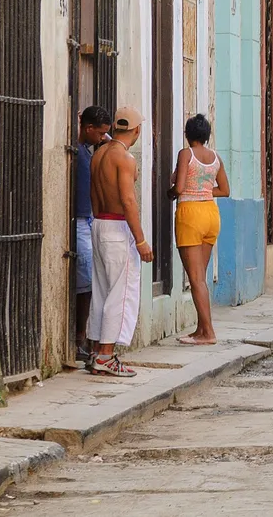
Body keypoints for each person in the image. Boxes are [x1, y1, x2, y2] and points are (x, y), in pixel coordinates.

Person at [87, 106, 152, 377]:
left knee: (101, 291)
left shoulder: (99, 154)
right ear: (137, 131)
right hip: (116, 227)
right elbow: (128, 200)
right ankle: (105, 356)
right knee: (120, 294)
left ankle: (95, 352)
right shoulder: (124, 158)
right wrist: (140, 241)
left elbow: (93, 194)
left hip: (99, 223)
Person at [168, 114, 229, 346]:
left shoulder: (186, 154)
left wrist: (171, 191)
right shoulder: (215, 158)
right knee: (200, 278)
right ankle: (200, 328)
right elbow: (225, 190)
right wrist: (203, 191)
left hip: (191, 215)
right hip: (211, 214)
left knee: (195, 279)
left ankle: (208, 332)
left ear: (187, 134)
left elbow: (180, 186)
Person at [74, 106, 111, 365]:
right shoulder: (78, 152)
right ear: (87, 129)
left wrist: (106, 140)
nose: (102, 138)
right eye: (99, 133)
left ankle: (83, 337)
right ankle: (80, 338)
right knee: (86, 281)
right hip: (79, 221)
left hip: (88, 219)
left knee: (89, 282)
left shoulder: (89, 150)